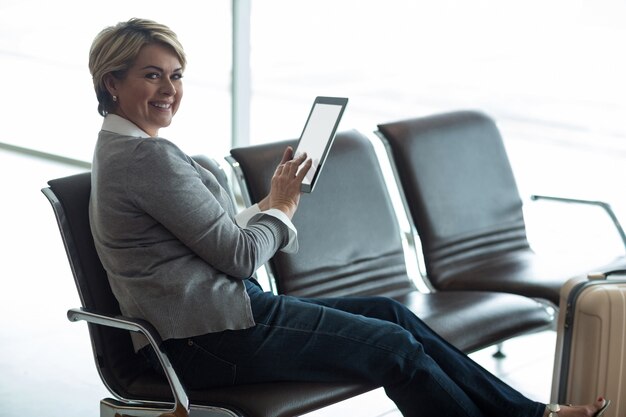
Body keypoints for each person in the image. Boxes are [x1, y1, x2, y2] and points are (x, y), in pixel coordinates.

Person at [87, 18, 610, 417]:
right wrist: (285, 208)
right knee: (395, 349)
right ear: (112, 82)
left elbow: (210, 237)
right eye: (151, 75)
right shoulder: (146, 158)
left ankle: (534, 414)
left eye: (175, 76)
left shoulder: (123, 150)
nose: (169, 90)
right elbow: (240, 255)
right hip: (209, 339)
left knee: (393, 314)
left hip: (222, 322)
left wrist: (270, 203)